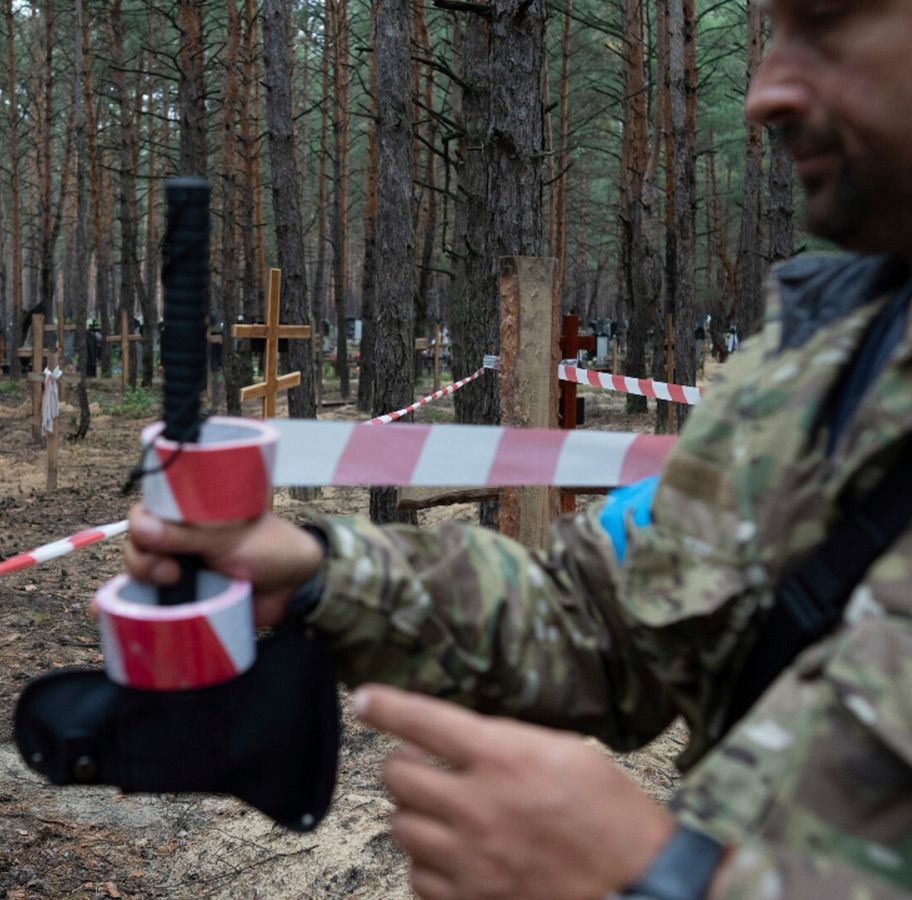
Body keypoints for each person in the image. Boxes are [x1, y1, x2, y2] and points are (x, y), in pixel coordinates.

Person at [125, 0, 912, 895]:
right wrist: (319, 571)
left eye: (825, 23)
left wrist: (660, 878)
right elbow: (601, 624)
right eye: (770, 33)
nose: (764, 93)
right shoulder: (823, 361)